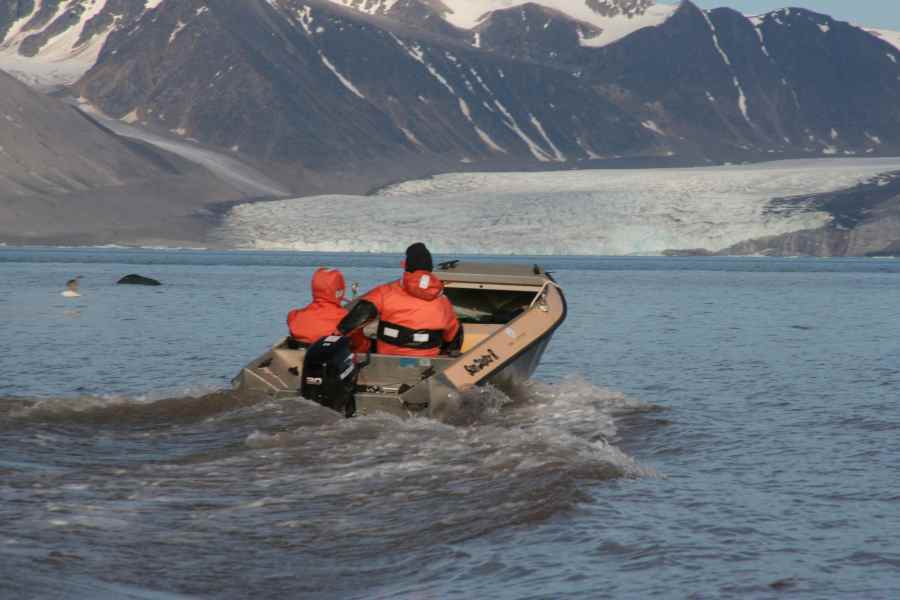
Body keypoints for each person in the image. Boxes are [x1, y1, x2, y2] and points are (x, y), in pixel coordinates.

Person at [339, 243, 460, 357]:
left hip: (387, 359)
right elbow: (453, 336)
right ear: (430, 268)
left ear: (405, 265)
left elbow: (353, 321)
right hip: (427, 362)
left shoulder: (385, 292)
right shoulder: (443, 302)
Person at [287, 268, 369, 352]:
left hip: (299, 359)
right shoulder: (349, 320)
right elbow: (361, 347)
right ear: (339, 291)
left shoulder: (294, 316)